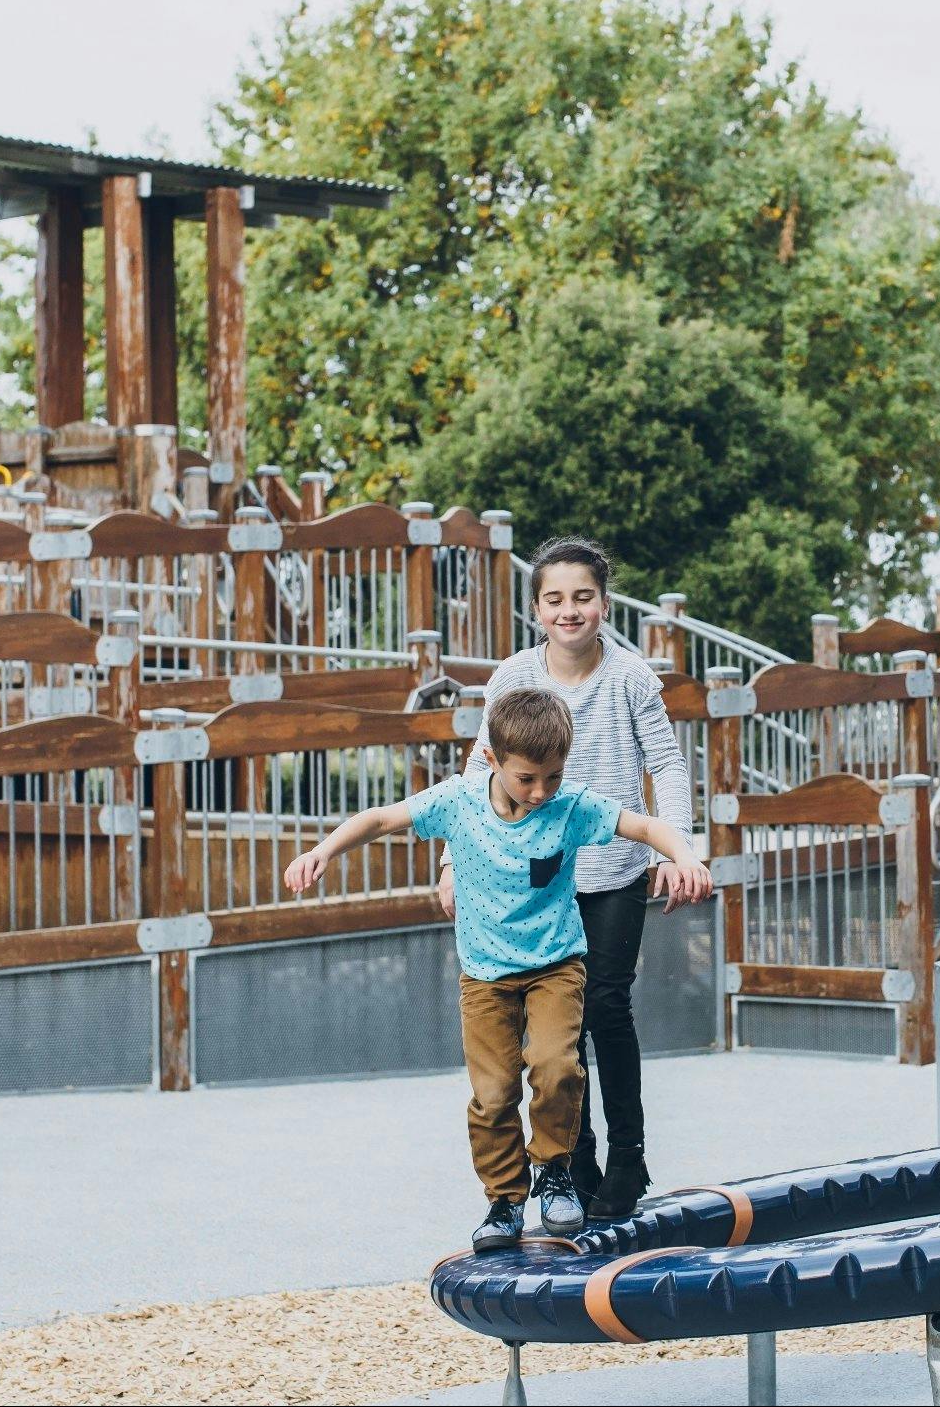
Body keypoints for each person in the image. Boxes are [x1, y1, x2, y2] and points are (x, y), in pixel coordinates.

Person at [284, 689, 708, 1252]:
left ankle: (554, 1172)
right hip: (485, 975)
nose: (541, 792)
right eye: (527, 778)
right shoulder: (458, 801)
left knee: (557, 1065)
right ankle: (506, 1200)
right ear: (493, 760)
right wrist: (323, 851)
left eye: (553, 777)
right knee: (493, 1093)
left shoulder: (569, 806)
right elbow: (383, 817)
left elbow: (646, 827)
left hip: (556, 966)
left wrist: (684, 856)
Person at [445, 536, 704, 1221]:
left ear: (604, 603)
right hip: (536, 879)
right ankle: (571, 1162)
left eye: (583, 597)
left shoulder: (630, 677)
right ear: (537, 608)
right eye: (555, 598)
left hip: (614, 868)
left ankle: (628, 1157)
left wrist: (676, 848)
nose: (570, 611)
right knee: (550, 1032)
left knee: (603, 1008)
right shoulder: (512, 677)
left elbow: (668, 766)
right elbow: (477, 772)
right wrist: (451, 861)